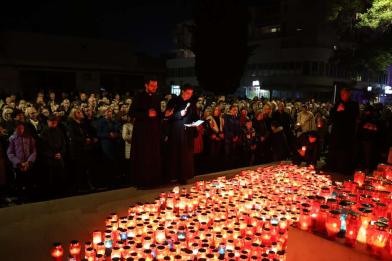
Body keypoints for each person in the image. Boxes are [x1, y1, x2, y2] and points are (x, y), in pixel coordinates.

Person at [130, 78, 162, 188]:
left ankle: (153, 180)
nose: (154, 88)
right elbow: (132, 112)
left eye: (156, 86)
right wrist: (146, 114)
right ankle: (142, 182)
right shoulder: (139, 96)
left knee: (153, 156)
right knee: (143, 157)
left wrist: (165, 115)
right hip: (142, 133)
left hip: (153, 131)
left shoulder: (156, 97)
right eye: (152, 86)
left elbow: (157, 114)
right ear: (146, 85)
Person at [165, 84, 198, 184]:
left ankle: (185, 175)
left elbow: (195, 115)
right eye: (188, 93)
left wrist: (196, 123)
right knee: (177, 154)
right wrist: (179, 114)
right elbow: (167, 117)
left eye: (191, 94)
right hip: (176, 132)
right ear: (182, 91)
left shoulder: (191, 102)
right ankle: (175, 176)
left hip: (188, 131)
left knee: (187, 155)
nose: (189, 95)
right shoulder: (173, 101)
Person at [327, 88, 359, 175]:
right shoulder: (337, 104)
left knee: (344, 153)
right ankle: (333, 167)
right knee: (335, 151)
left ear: (349, 94)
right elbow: (332, 116)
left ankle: (344, 169)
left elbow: (353, 117)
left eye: (344, 93)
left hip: (347, 134)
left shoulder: (354, 104)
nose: (342, 95)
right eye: (341, 94)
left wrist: (344, 110)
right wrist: (337, 110)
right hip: (336, 133)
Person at [7, 121, 37, 200]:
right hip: (18, 165)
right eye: (18, 129)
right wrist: (19, 163)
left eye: (22, 128)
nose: (21, 130)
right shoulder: (12, 139)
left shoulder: (29, 137)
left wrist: (29, 162)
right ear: (15, 129)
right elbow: (10, 153)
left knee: (29, 182)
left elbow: (33, 151)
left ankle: (29, 197)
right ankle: (20, 198)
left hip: (28, 164)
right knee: (19, 183)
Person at [39, 114, 67, 198]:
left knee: (61, 177)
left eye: (55, 122)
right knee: (51, 178)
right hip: (49, 160)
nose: (54, 123)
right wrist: (52, 155)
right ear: (48, 122)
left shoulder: (59, 130)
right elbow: (43, 147)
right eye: (52, 122)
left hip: (59, 158)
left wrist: (61, 153)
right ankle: (52, 195)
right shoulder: (44, 132)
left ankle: (61, 193)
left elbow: (64, 144)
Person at [97, 108, 121, 187]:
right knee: (108, 162)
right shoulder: (101, 122)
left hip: (115, 144)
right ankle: (108, 181)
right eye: (108, 112)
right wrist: (108, 135)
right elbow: (99, 134)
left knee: (115, 162)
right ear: (104, 113)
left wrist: (116, 134)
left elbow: (118, 131)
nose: (109, 113)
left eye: (110, 111)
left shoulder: (114, 121)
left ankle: (115, 180)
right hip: (106, 145)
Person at [122, 115, 134, 185]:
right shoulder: (126, 125)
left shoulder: (136, 125)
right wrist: (134, 136)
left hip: (136, 147)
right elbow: (125, 136)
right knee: (129, 164)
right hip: (129, 147)